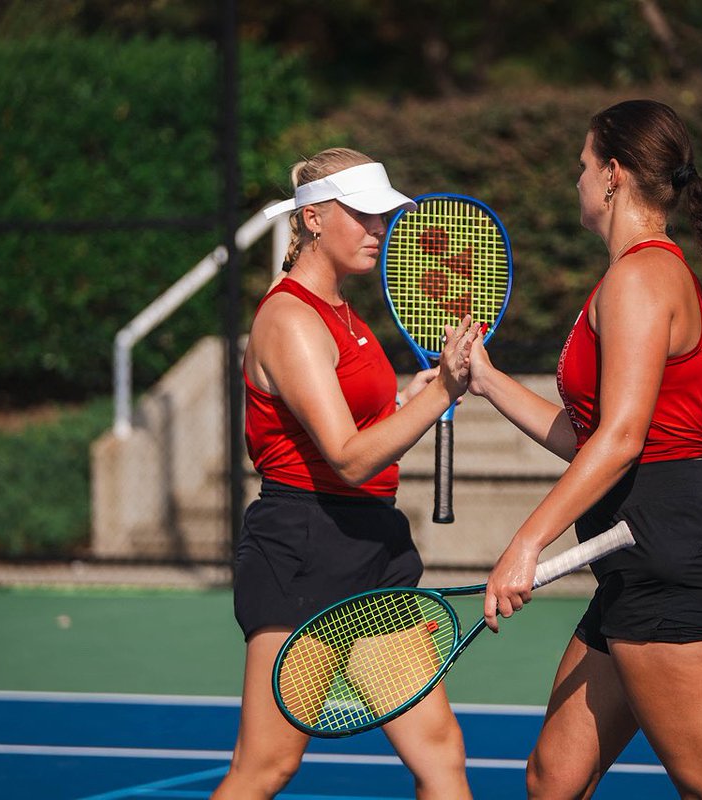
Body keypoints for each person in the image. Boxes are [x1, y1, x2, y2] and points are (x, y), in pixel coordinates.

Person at [467, 100, 702, 799]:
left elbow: (622, 441)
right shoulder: (645, 275)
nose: (577, 178)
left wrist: (527, 542)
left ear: (613, 176)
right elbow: (595, 436)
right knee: (553, 778)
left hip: (664, 557)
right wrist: (487, 379)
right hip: (633, 559)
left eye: (582, 165)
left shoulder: (638, 279)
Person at [212, 148, 479, 800]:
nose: (377, 229)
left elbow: (365, 433)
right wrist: (440, 394)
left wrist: (419, 396)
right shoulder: (291, 319)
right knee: (266, 768)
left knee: (441, 754)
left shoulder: (344, 316)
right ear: (311, 218)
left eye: (382, 216)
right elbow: (350, 455)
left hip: (372, 545)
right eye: (360, 215)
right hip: (304, 544)